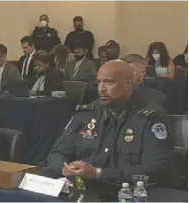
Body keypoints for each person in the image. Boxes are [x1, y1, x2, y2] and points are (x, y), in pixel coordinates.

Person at [41, 59, 179, 187]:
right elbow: (56, 153)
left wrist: (98, 173)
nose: (101, 89)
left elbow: (156, 169)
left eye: (109, 82)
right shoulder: (87, 113)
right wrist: (66, 169)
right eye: (99, 82)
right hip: (86, 191)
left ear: (128, 83)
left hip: (129, 192)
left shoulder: (151, 117)